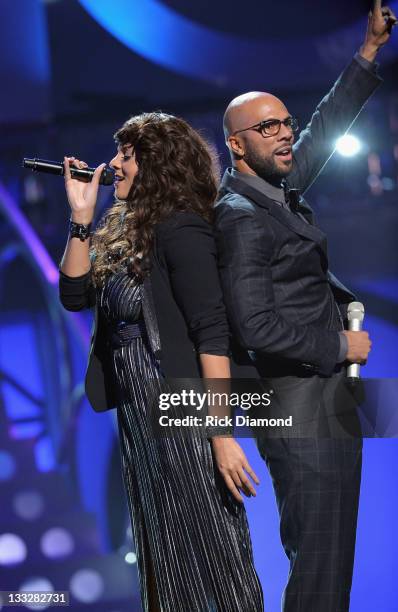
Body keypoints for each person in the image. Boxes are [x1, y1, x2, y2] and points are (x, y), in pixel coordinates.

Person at [214, 2, 396, 611]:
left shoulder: (275, 192)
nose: (286, 132)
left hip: (328, 406)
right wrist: (338, 345)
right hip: (297, 413)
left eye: (285, 122)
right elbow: (254, 324)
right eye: (268, 128)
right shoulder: (238, 218)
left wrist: (368, 51)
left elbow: (326, 125)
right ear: (237, 146)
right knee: (318, 572)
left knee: (333, 568)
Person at [58, 113, 264, 612]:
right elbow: (73, 294)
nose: (114, 165)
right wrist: (81, 217)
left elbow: (211, 336)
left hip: (180, 406)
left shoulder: (183, 228)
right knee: (165, 551)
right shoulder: (122, 229)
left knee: (211, 549)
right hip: (137, 413)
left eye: (127, 156)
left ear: (156, 164)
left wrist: (221, 434)